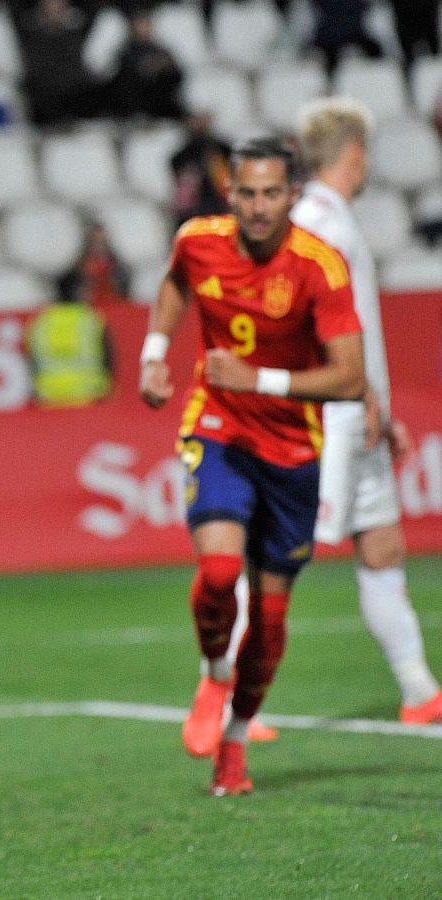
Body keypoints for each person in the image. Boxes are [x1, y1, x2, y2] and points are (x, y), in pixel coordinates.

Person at [138, 137, 366, 797]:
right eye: (247, 193)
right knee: (217, 570)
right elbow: (177, 282)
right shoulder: (199, 240)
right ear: (230, 192)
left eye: (272, 193)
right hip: (220, 429)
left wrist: (259, 376)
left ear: (293, 195)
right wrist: (157, 351)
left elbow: (350, 378)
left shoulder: (319, 267)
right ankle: (214, 673)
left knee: (268, 620)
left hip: (294, 450)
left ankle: (234, 748)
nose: (259, 207)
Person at [290, 98, 442, 724]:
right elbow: (324, 325)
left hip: (348, 406)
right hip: (338, 410)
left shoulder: (309, 222)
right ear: (355, 156)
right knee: (280, 550)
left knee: (378, 543)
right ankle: (222, 696)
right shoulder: (328, 228)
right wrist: (364, 396)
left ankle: (418, 690)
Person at [17, 0, 102, 129]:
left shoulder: (77, 29)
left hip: (73, 96)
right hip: (43, 100)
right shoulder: (30, 30)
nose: (55, 6)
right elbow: (34, 68)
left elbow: (78, 66)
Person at [27, 291, 111, 408]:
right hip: (89, 397)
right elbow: (109, 358)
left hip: (48, 398)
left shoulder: (41, 322)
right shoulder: (90, 319)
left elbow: (31, 361)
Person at [107, 8, 184, 121]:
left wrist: (164, 65)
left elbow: (177, 74)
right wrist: (149, 65)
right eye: (141, 24)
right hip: (135, 103)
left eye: (147, 24)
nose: (144, 28)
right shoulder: (126, 51)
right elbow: (128, 73)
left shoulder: (161, 50)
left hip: (160, 102)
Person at [169, 112, 233, 230]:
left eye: (202, 117)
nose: (199, 122)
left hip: (222, 211)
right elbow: (183, 198)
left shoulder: (224, 150)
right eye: (195, 117)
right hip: (195, 215)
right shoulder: (181, 157)